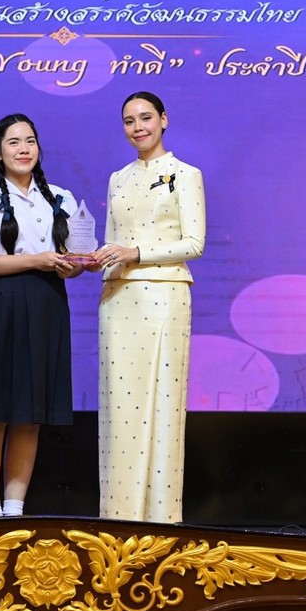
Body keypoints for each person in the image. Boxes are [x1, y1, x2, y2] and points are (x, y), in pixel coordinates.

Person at [90, 91, 206, 523]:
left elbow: (194, 243)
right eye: (129, 120)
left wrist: (136, 253)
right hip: (117, 299)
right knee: (119, 409)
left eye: (145, 118)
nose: (138, 127)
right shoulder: (117, 178)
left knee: (161, 404)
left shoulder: (186, 174)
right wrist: (94, 259)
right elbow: (111, 242)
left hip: (164, 296)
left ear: (163, 120)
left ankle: (160, 520)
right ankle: (117, 518)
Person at [0, 113, 83, 519]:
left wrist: (76, 265)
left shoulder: (60, 198)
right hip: (2, 305)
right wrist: (35, 260)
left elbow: (72, 261)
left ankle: (14, 512)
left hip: (48, 304)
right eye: (13, 142)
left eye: (30, 140)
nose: (23, 149)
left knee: (31, 415)